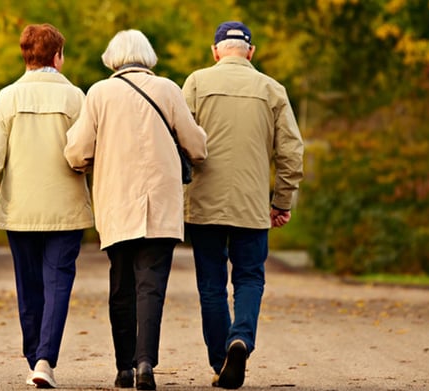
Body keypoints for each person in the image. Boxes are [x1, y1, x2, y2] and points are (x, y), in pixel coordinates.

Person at [64, 29, 207, 390]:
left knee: (121, 285)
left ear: (112, 58)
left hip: (117, 203)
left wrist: (89, 160)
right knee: (151, 286)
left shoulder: (98, 93)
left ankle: (124, 367)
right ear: (148, 56)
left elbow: (77, 150)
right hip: (160, 204)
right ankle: (146, 362)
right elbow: (197, 146)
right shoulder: (169, 89)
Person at [0, 23, 93, 389]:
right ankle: (44, 359)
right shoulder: (76, 98)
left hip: (20, 210)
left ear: (26, 56)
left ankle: (33, 353)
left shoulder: (8, 98)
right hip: (65, 210)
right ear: (57, 56)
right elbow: (86, 152)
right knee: (58, 285)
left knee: (29, 286)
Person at [181, 21, 304, 389]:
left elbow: (179, 141)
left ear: (215, 50)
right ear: (251, 52)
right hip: (252, 206)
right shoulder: (272, 89)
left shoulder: (197, 84)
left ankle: (221, 360)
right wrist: (281, 200)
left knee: (212, 285)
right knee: (249, 278)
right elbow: (291, 152)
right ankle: (241, 339)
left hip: (204, 205)